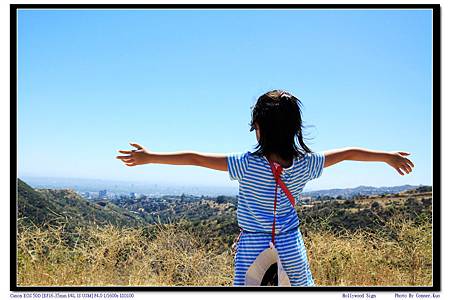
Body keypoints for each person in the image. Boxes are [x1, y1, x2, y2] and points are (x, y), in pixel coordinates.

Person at [116, 89, 414, 286]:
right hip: (289, 243)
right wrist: (386, 156)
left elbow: (195, 158)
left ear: (258, 127)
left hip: (253, 245)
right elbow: (349, 152)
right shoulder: (305, 164)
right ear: (294, 130)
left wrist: (149, 158)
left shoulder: (246, 164)